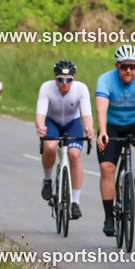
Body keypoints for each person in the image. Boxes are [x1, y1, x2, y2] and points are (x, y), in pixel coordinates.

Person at [95, 45, 135, 237]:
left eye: (132, 66)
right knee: (107, 168)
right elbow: (101, 109)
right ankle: (108, 217)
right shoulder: (105, 79)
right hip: (112, 124)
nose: (128, 70)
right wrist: (102, 132)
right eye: (124, 67)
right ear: (117, 66)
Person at [36, 60, 94, 219]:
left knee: (75, 154)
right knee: (50, 146)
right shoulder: (47, 88)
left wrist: (89, 128)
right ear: (55, 78)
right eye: (61, 79)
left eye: (69, 79)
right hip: (52, 122)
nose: (65, 83)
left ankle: (75, 202)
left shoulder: (81, 89)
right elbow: (40, 113)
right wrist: (40, 127)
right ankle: (47, 180)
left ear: (73, 79)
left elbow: (86, 114)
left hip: (72, 123)